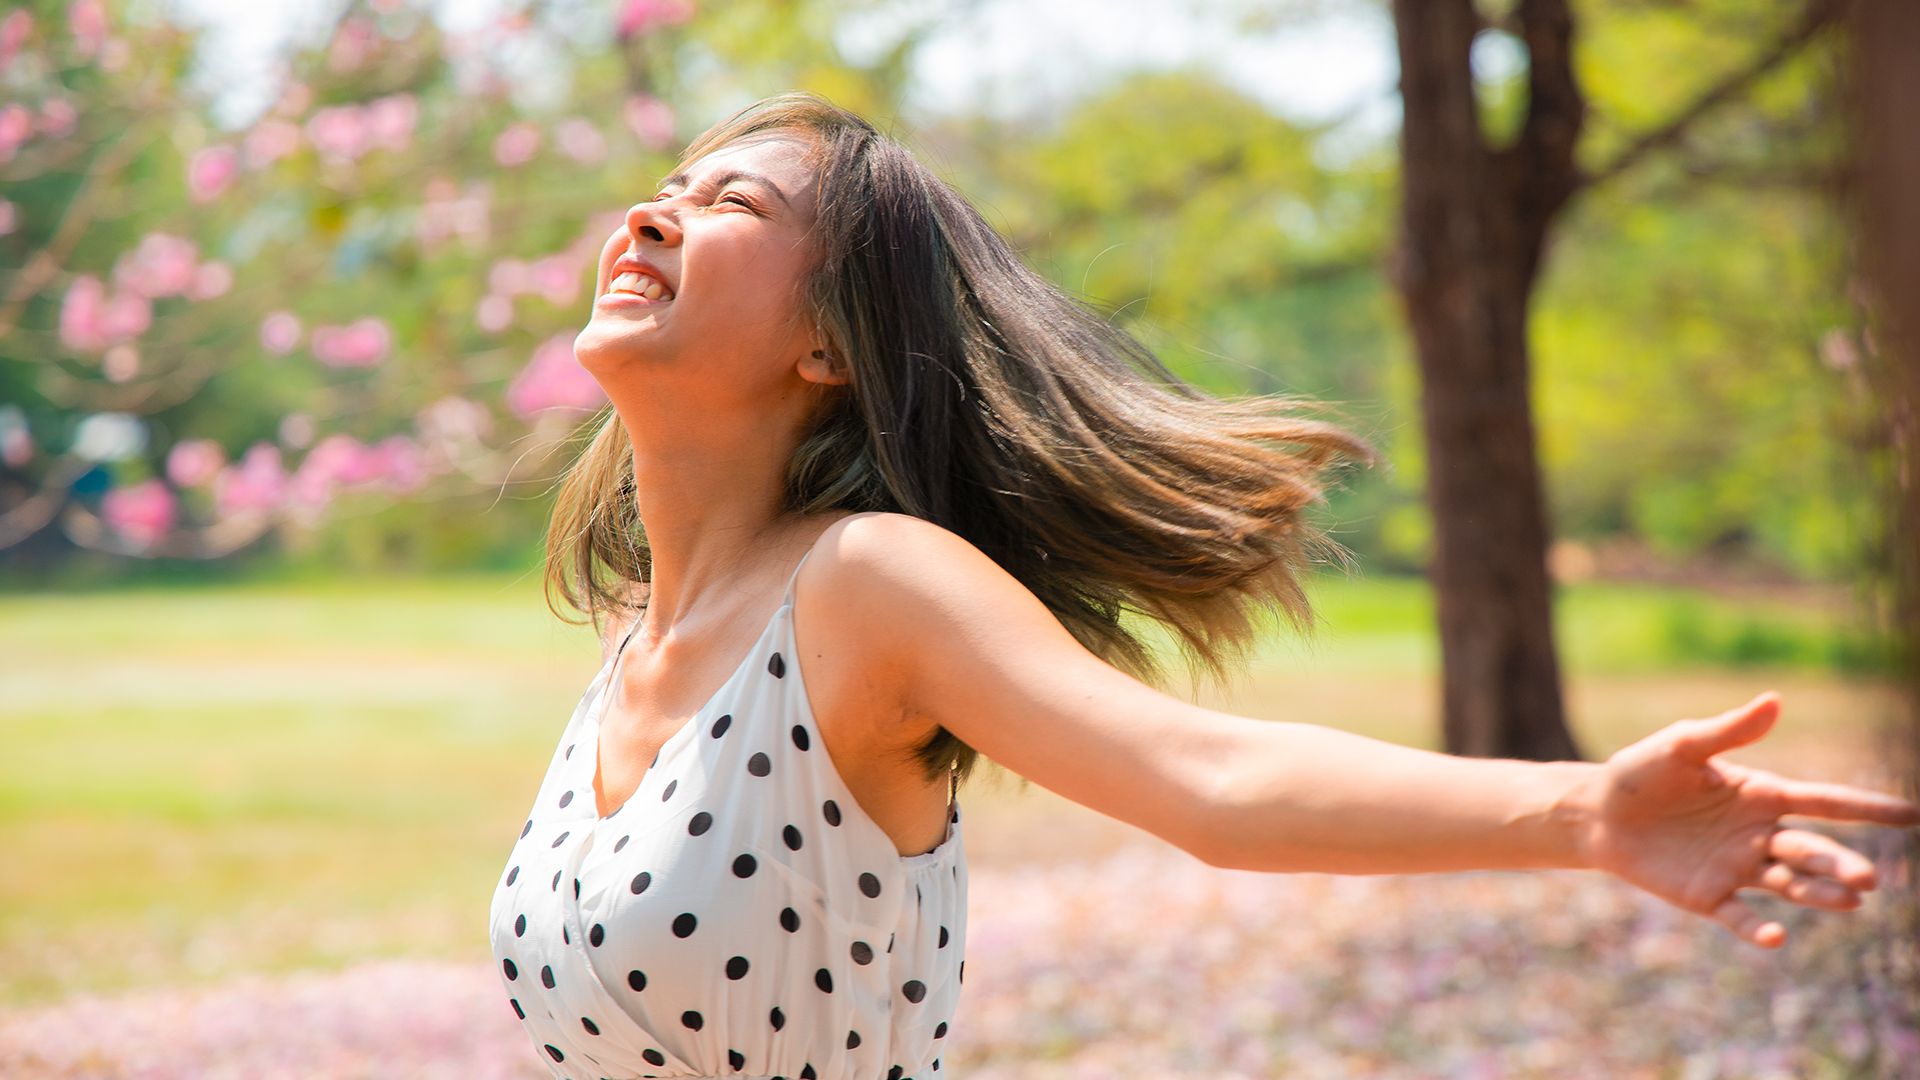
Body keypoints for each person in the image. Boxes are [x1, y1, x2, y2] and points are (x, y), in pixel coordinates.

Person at [488, 90, 1920, 1080]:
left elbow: (1210, 779)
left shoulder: (868, 589)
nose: (651, 216)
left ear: (833, 348)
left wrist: (1583, 811)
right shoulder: (632, 644)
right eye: (663, 190)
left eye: (726, 201)